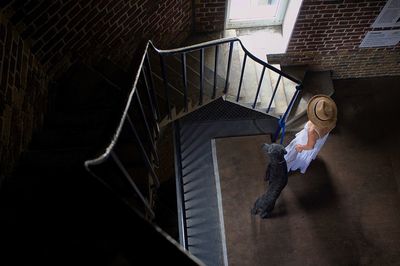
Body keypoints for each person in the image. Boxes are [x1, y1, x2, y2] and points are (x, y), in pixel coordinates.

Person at [284, 94, 337, 174]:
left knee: (291, 156)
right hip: (318, 140)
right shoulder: (332, 121)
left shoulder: (312, 131)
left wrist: (300, 147)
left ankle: (286, 167)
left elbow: (310, 146)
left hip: (305, 141)